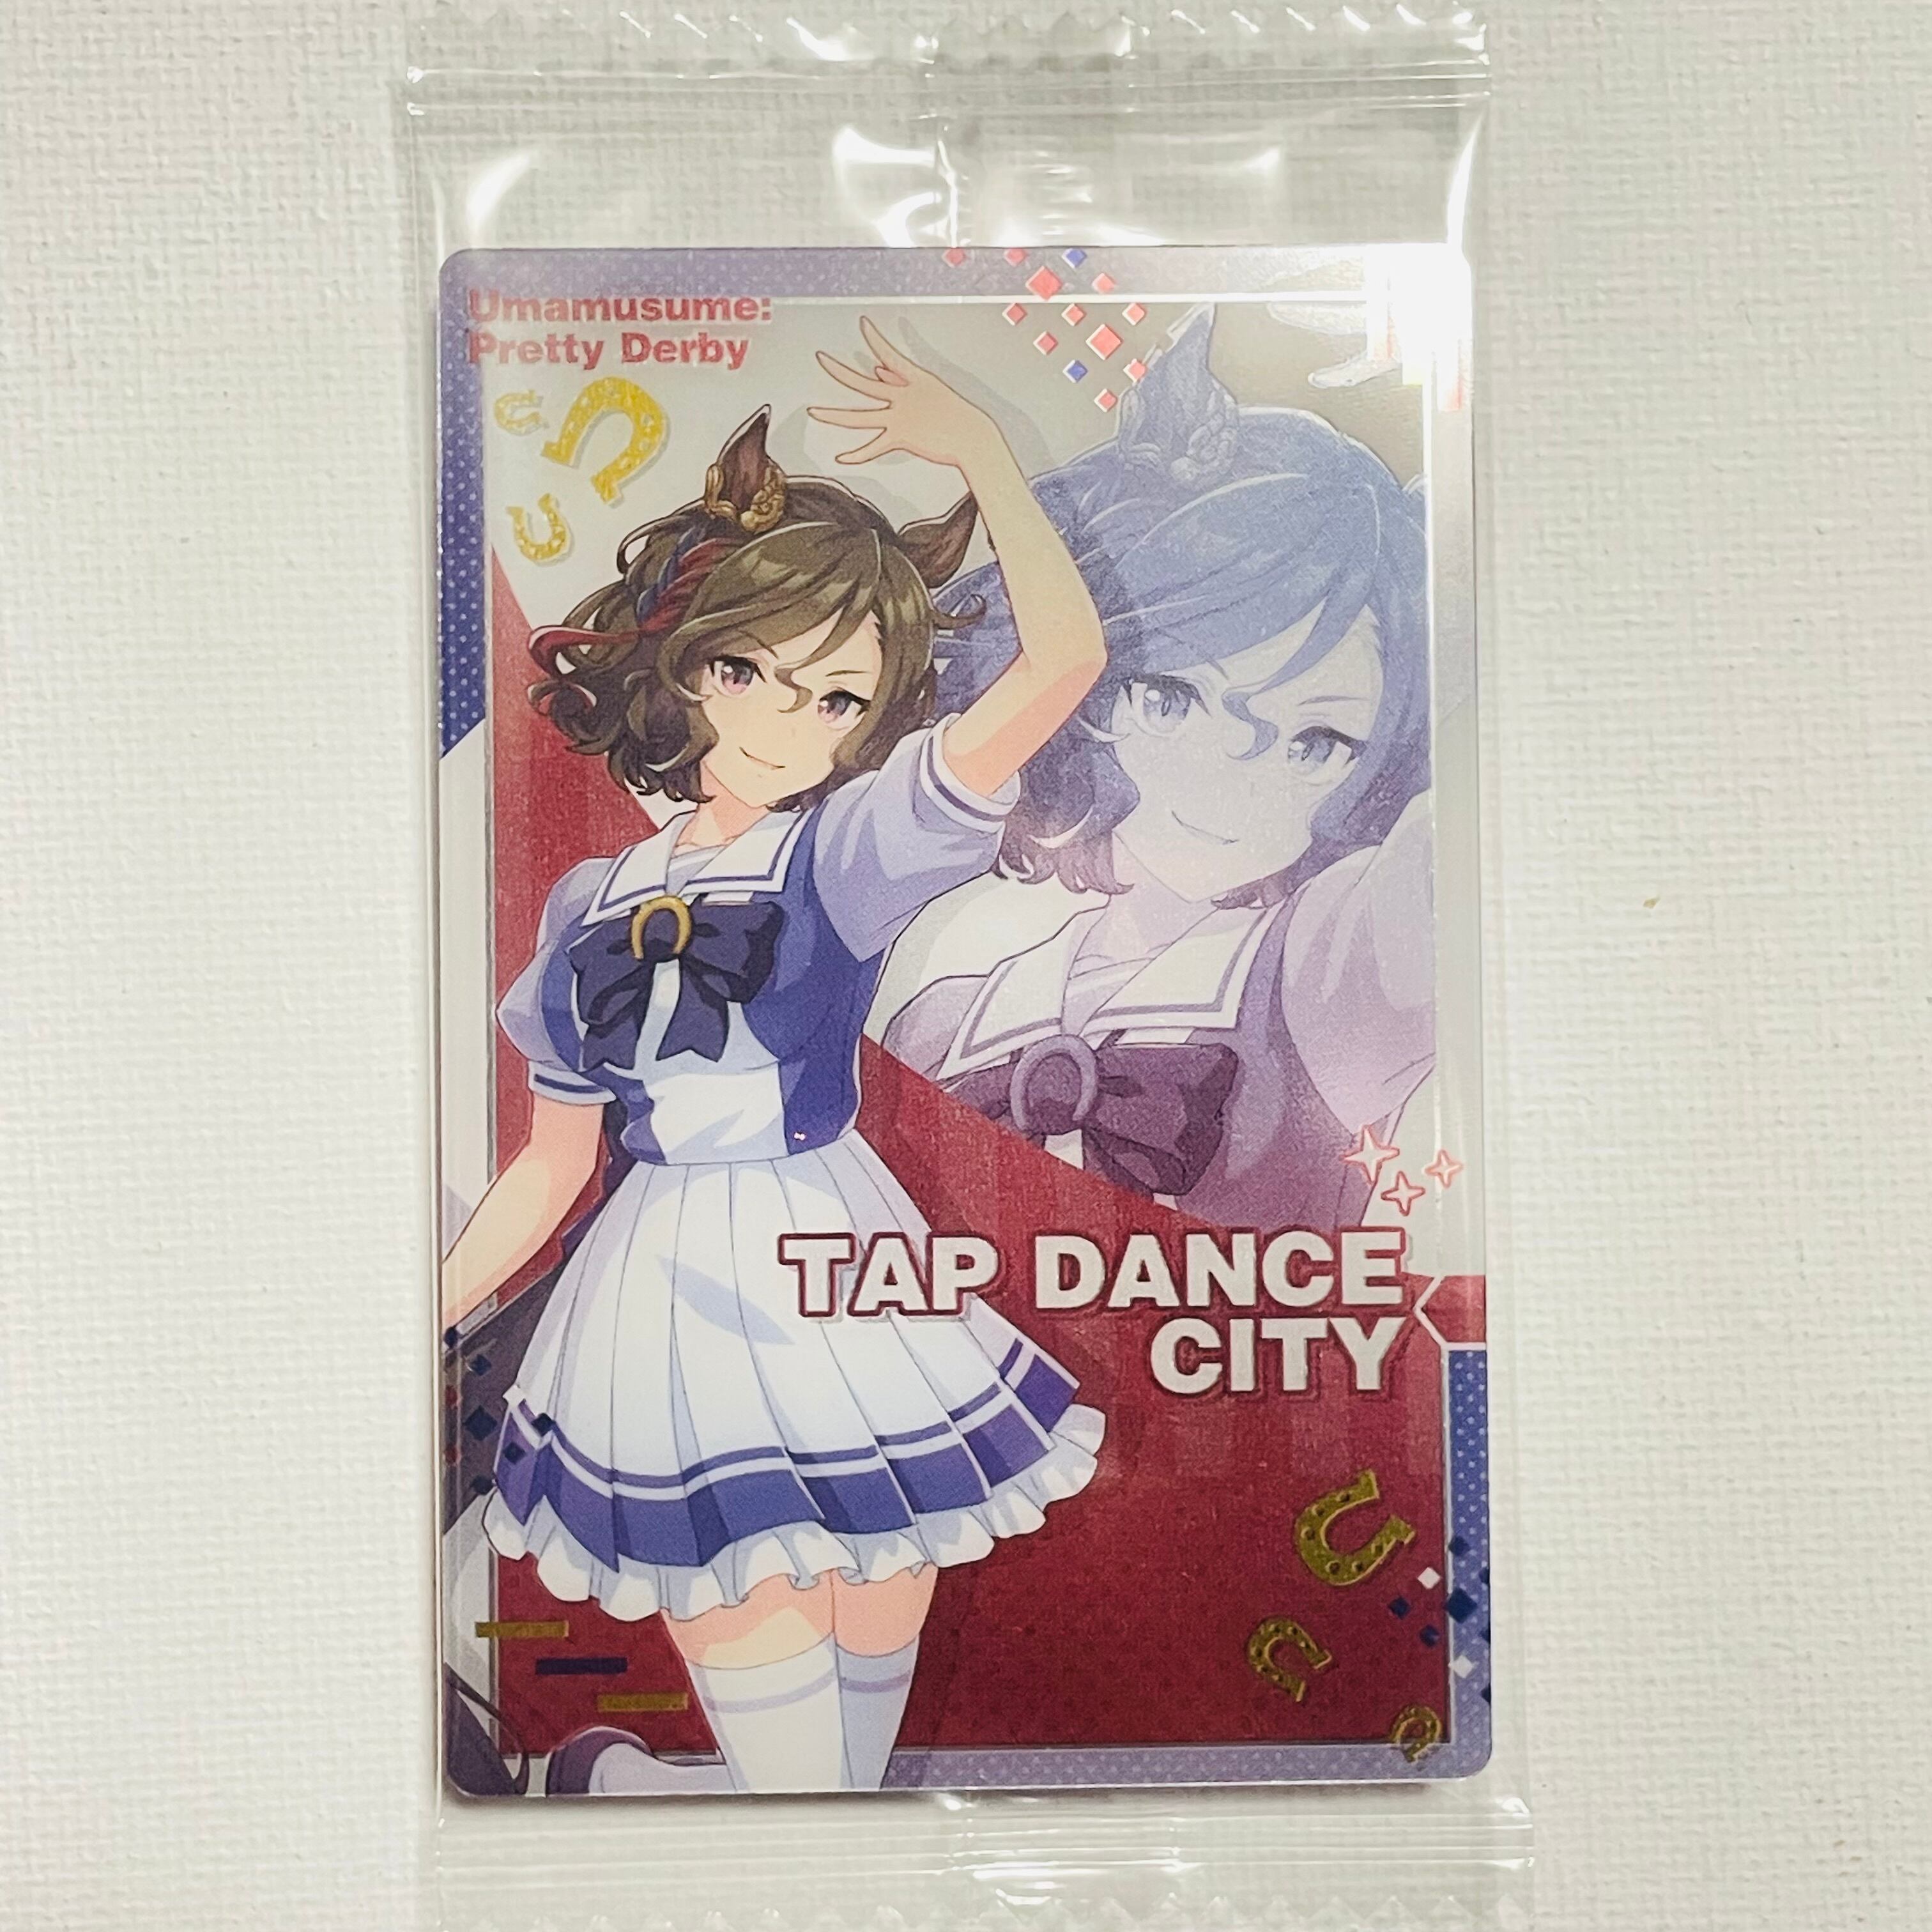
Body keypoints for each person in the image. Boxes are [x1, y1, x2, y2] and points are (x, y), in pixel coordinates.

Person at [441, 320, 1107, 1794]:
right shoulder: (589, 904)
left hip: (830, 1251)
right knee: (767, 1651)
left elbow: (1065, 660)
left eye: (841, 698)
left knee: (866, 1639)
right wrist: (414, 1317)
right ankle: (722, 1822)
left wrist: (985, 455)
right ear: (689, 666)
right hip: (666, 1289)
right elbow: (552, 1164)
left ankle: (730, 1826)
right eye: (754, 671)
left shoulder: (849, 849)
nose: (793, 722)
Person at [882, 314, 1433, 1229]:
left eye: (1314, 743)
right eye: (1172, 699)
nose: (1228, 777)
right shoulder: (940, 1020)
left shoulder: (1331, 970)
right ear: (1092, 707)